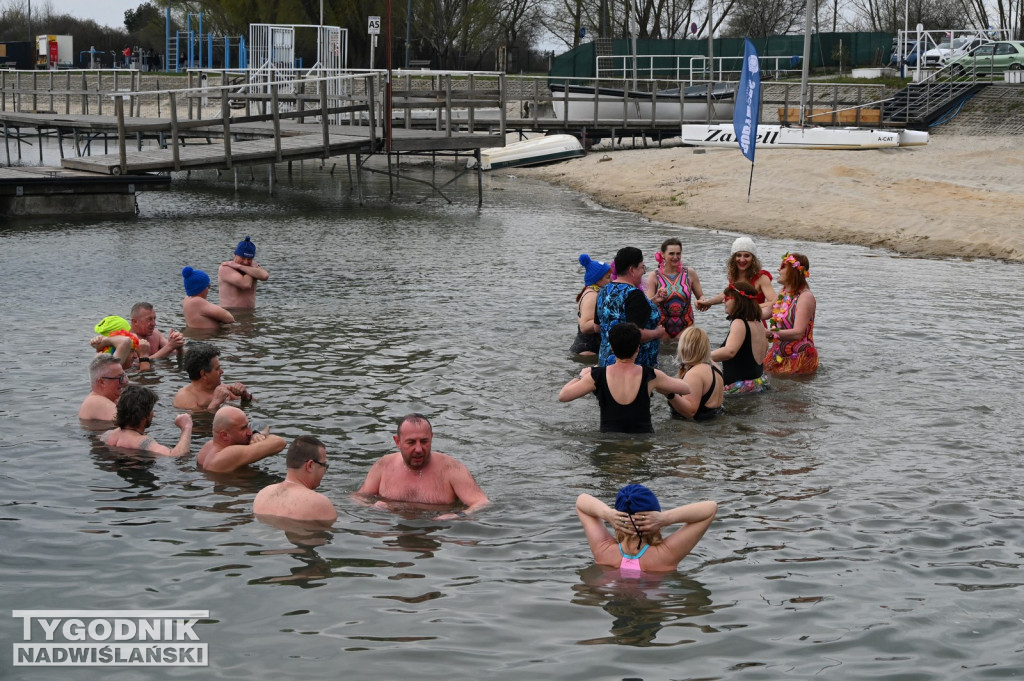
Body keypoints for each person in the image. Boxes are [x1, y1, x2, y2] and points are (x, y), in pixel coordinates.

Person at [559, 322, 690, 434]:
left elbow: (564, 396)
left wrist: (581, 376)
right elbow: (686, 389)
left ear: (611, 348)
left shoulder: (596, 375)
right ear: (638, 348)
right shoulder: (651, 375)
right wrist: (667, 391)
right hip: (642, 441)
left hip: (609, 444)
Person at [355, 414, 489, 520]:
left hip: (438, 531)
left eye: (424, 441)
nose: (418, 449)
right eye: (411, 442)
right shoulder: (383, 465)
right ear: (398, 442)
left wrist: (458, 515)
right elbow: (357, 498)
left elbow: (482, 503)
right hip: (396, 527)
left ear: (431, 438)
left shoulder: (452, 469)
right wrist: (371, 507)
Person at [575, 484, 717, 573]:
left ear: (617, 518)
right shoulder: (665, 556)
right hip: (650, 608)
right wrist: (664, 519)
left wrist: (608, 514)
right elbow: (710, 508)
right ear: (655, 519)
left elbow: (581, 500)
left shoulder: (604, 551)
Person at [596, 247, 666, 367]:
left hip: (606, 362)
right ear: (632, 270)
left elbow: (597, 327)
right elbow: (636, 335)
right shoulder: (634, 294)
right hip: (634, 367)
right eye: (642, 267)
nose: (644, 272)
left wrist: (652, 302)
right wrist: (657, 333)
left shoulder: (603, 291)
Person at [253, 435, 337, 523]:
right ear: (310, 466)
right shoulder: (319, 503)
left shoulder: (262, 495)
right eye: (323, 465)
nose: (324, 471)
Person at [709, 281, 770, 394]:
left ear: (737, 300)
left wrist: (701, 357)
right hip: (758, 384)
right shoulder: (758, 322)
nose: (723, 301)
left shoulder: (739, 322)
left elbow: (729, 351)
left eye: (727, 298)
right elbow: (765, 347)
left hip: (739, 388)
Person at [764, 252, 818, 375]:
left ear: (793, 271)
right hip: (778, 354)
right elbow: (767, 312)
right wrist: (742, 311)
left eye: (783, 266)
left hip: (799, 357)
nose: (779, 269)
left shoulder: (805, 297)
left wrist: (768, 333)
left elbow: (798, 333)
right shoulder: (783, 292)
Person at [102, 385, 193, 456]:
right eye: (151, 409)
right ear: (144, 415)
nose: (153, 414)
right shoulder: (143, 442)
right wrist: (186, 427)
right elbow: (176, 456)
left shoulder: (107, 435)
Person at [644, 238, 704, 340]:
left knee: (684, 355)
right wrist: (656, 298)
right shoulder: (654, 276)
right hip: (661, 328)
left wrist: (701, 301)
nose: (675, 257)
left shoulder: (690, 273)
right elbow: (647, 305)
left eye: (678, 254)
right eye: (671, 254)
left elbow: (701, 296)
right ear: (663, 254)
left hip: (686, 326)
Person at [696, 236, 776, 312]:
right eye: (738, 255)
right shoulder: (734, 276)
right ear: (733, 258)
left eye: (747, 256)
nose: (742, 260)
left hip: (756, 322)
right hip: (737, 321)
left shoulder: (762, 278)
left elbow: (774, 302)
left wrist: (750, 307)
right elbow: (724, 295)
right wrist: (708, 302)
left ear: (753, 259)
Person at [196, 406, 286, 473]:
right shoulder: (227, 455)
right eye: (243, 428)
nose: (249, 432)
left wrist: (256, 434)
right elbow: (279, 442)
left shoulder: (208, 446)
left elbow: (261, 425)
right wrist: (258, 438)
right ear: (224, 436)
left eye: (247, 425)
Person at [173, 343, 252, 411]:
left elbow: (253, 404)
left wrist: (245, 396)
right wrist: (216, 402)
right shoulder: (184, 397)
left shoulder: (223, 389)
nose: (222, 371)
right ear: (203, 374)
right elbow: (197, 421)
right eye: (217, 369)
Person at [668, 326, 724, 420]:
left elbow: (690, 412)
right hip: (716, 419)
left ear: (684, 347)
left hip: (701, 428)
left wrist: (668, 393)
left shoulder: (694, 374)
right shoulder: (715, 366)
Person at [570, 253, 612, 356]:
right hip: (588, 350)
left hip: (589, 347)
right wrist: (611, 319)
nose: (611, 280)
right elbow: (585, 326)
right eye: (608, 277)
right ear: (597, 280)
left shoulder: (594, 292)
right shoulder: (592, 296)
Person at [218, 236, 269, 309]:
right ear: (235, 255)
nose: (245, 262)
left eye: (249, 259)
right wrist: (251, 268)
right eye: (242, 258)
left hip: (250, 314)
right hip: (231, 314)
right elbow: (245, 284)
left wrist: (240, 266)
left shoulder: (252, 267)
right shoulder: (225, 268)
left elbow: (265, 276)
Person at [79, 355, 128, 422]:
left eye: (123, 376)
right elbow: (130, 423)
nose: (124, 382)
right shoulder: (96, 402)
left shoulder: (109, 398)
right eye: (119, 378)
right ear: (102, 382)